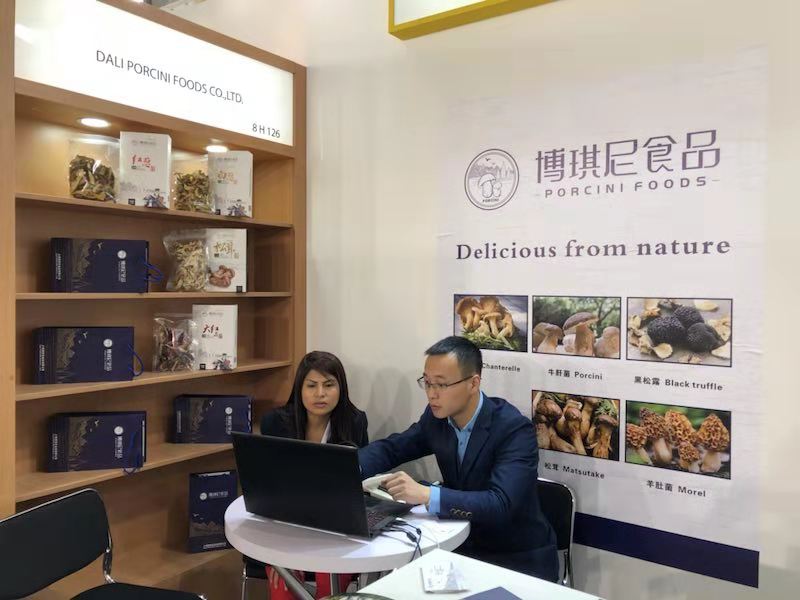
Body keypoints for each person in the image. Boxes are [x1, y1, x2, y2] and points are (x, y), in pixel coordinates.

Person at [358, 336, 559, 581]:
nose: (431, 394)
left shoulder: (513, 429)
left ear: (473, 383)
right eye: (427, 383)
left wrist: (428, 495)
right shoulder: (437, 418)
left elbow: (500, 503)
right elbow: (394, 448)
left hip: (515, 557)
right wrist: (349, 467)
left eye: (441, 385)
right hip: (459, 548)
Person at [258, 351, 368, 599]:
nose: (320, 394)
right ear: (299, 389)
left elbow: (360, 485)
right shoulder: (275, 423)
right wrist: (277, 549)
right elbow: (267, 489)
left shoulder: (355, 422)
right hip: (286, 523)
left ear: (341, 389)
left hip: (337, 526)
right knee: (283, 583)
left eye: (329, 385)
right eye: (311, 386)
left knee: (329, 581)